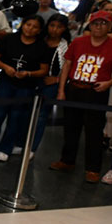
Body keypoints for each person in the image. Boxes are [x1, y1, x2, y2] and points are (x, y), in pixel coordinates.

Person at [50, 10, 112, 183]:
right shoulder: (78, 42)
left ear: (110, 26)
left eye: (103, 23)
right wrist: (61, 90)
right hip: (75, 88)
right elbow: (67, 65)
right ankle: (67, 161)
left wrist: (109, 83)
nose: (99, 27)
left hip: (96, 92)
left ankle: (93, 169)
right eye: (96, 23)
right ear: (90, 25)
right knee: (70, 128)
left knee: (94, 132)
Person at [0, 15, 50, 162]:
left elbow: (44, 70)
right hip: (6, 82)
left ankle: (5, 148)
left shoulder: (42, 47)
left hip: (26, 86)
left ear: (39, 30)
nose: (30, 28)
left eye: (35, 26)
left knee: (15, 118)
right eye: (28, 24)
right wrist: (5, 67)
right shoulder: (10, 39)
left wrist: (29, 73)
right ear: (23, 24)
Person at [30, 14, 70, 156]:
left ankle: (32, 148)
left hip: (51, 83)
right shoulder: (40, 41)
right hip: (34, 80)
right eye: (52, 25)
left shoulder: (65, 46)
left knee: (41, 116)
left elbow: (68, 68)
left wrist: (57, 80)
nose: (54, 30)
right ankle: (21, 142)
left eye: (59, 27)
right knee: (26, 112)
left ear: (64, 29)